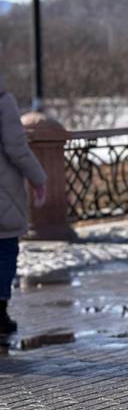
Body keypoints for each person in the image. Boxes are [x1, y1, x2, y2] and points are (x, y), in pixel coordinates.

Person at [0, 82, 47, 337]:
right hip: (3, 192)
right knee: (4, 250)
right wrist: (38, 179)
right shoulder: (2, 99)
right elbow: (16, 148)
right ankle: (0, 314)